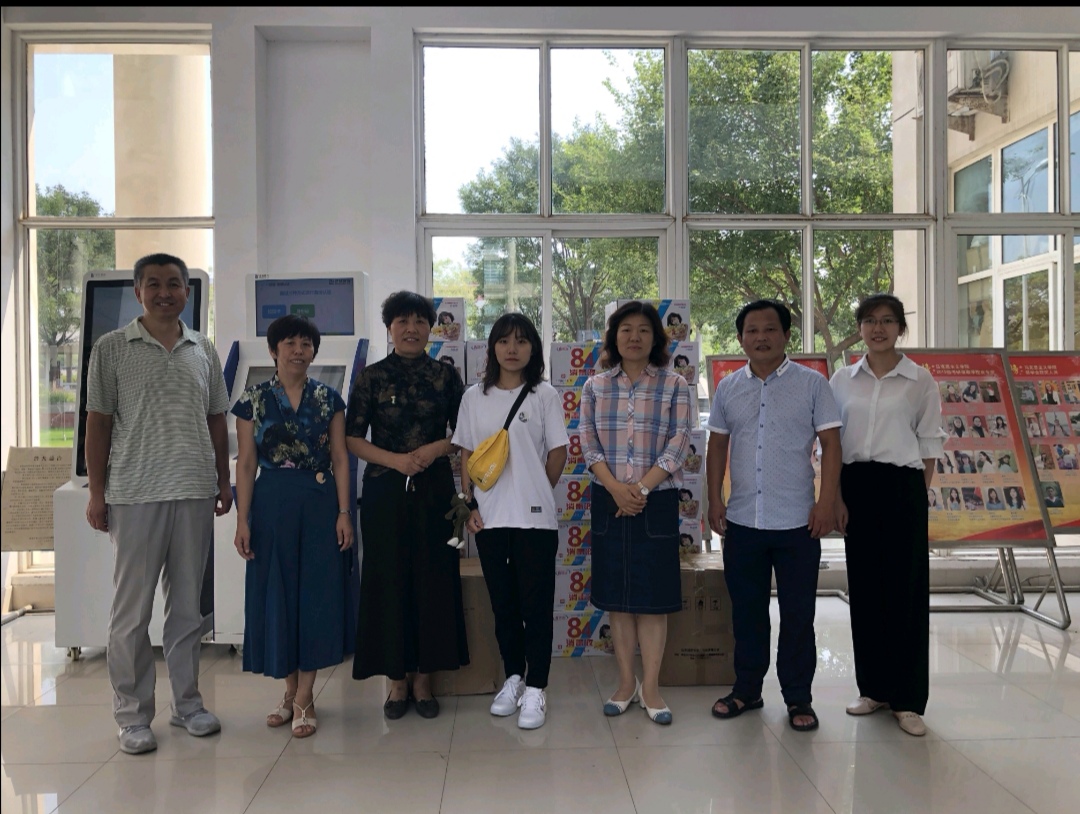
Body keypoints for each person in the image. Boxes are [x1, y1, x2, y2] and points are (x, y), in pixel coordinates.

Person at [83, 253, 231, 755]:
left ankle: (187, 705)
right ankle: (132, 717)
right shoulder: (111, 348)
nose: (165, 293)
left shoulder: (203, 349)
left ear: (187, 291)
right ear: (138, 291)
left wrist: (223, 481)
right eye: (154, 284)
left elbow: (216, 419)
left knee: (188, 609)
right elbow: (98, 423)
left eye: (174, 284)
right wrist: (97, 493)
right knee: (132, 614)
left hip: (193, 490)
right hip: (135, 494)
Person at [707, 299, 841, 733]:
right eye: (752, 330)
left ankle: (798, 696)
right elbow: (717, 447)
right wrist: (714, 500)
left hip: (799, 522)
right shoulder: (728, 388)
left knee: (798, 615)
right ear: (741, 338)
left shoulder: (813, 384)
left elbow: (832, 445)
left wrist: (826, 502)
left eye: (769, 329)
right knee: (747, 613)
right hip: (743, 520)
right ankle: (747, 689)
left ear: (786, 335)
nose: (760, 337)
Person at [346, 291, 468, 720]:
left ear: (431, 329)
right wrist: (396, 460)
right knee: (388, 579)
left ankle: (424, 680)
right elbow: (352, 438)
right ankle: (397, 680)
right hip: (385, 489)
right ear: (390, 328)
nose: (412, 329)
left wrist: (435, 449)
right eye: (403, 321)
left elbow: (464, 432)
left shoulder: (446, 376)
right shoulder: (372, 377)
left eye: (419, 321)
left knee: (434, 578)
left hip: (436, 490)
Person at [232, 315, 354, 739]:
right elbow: (246, 463)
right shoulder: (252, 400)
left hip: (319, 504)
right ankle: (288, 691)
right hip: (271, 506)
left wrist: (344, 512)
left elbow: (340, 458)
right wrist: (242, 519)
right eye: (290, 343)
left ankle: (305, 696)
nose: (299, 351)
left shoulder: (329, 398)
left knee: (315, 596)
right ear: (273, 350)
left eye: (306, 344)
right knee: (277, 594)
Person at [830, 294, 944, 738]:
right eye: (870, 320)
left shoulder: (919, 380)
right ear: (859, 327)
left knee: (906, 592)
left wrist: (916, 498)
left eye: (888, 321)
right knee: (865, 590)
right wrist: (836, 497)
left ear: (900, 328)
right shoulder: (842, 379)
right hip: (856, 486)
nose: (878, 328)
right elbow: (832, 444)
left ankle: (908, 700)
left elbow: (929, 445)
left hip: (903, 487)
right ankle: (874, 689)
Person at [453, 313, 569, 730]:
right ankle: (515, 678)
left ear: (533, 348)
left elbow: (558, 450)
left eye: (521, 341)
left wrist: (537, 487)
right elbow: (466, 454)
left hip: (535, 521)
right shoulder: (474, 397)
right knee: (503, 605)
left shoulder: (544, 394)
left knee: (535, 606)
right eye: (504, 341)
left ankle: (537, 686)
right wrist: (470, 504)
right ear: (492, 348)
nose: (512, 349)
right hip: (489, 519)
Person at [581, 300, 693, 726]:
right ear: (614, 337)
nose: (634, 337)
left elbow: (679, 442)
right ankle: (626, 683)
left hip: (656, 501)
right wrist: (616, 489)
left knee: (652, 600)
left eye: (643, 330)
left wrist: (641, 488)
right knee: (619, 598)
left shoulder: (674, 384)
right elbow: (588, 442)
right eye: (625, 329)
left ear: (655, 338)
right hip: (609, 499)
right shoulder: (595, 386)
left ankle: (652, 687)